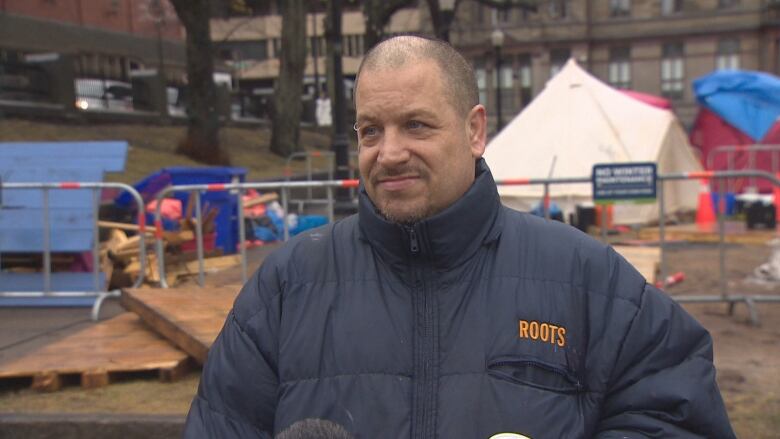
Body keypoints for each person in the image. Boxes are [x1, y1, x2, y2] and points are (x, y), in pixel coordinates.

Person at [184, 36, 735, 438]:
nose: (390, 151)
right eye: (371, 130)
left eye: (416, 125)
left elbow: (679, 414)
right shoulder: (285, 289)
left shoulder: (587, 278)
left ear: (474, 131)